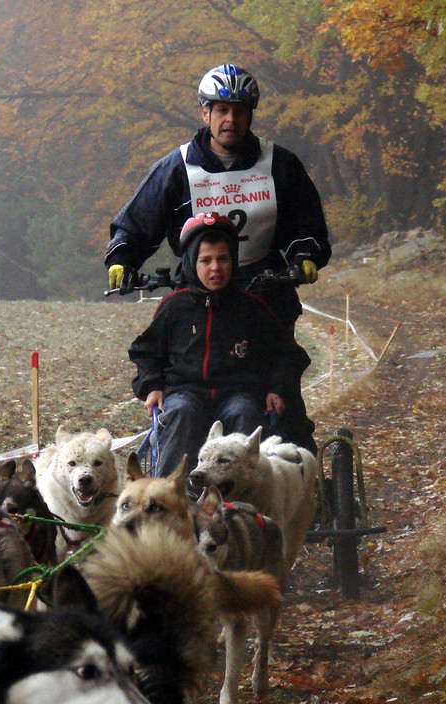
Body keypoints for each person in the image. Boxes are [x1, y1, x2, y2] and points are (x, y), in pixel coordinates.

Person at [106, 63, 330, 451]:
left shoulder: (280, 164)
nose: (231, 119)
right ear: (205, 113)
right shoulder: (176, 167)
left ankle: (297, 473)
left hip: (266, 290)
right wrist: (123, 258)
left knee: (280, 397)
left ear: (250, 115)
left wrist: (306, 254)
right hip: (198, 291)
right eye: (221, 110)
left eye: (240, 110)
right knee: (188, 390)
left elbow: (306, 223)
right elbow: (137, 221)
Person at [128, 212, 310, 478]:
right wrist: (152, 385)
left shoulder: (251, 308)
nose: (216, 268)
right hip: (185, 393)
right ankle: (169, 496)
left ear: (233, 261)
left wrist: (276, 388)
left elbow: (286, 354)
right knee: (181, 413)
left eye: (223, 259)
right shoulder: (173, 308)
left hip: (238, 394)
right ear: (192, 263)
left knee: (245, 413)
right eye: (206, 260)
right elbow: (146, 352)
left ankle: (245, 501)